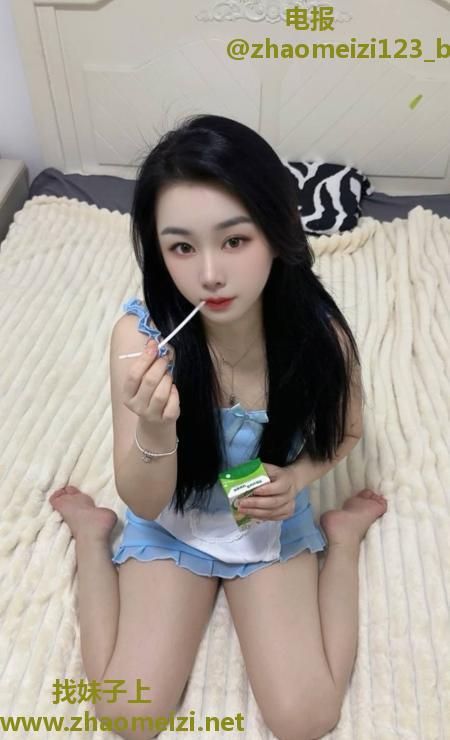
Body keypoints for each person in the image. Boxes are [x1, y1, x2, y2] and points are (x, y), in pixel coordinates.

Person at [49, 114, 388, 740]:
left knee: (306, 718)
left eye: (235, 240)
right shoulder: (141, 340)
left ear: (277, 232)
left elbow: (347, 432)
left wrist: (297, 478)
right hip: (169, 523)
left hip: (264, 521)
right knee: (128, 713)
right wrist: (156, 430)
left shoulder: (319, 336)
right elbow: (145, 500)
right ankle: (93, 538)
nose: (209, 274)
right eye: (182, 247)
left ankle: (342, 540)